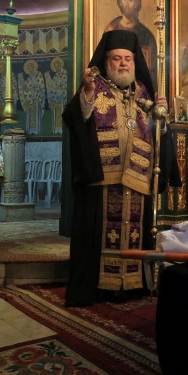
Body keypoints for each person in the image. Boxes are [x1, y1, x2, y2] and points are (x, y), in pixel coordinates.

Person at [63, 30, 176, 307]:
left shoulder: (144, 93)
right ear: (106, 61)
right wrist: (87, 93)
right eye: (117, 59)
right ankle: (99, 286)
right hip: (102, 179)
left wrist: (162, 117)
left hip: (137, 178)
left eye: (127, 58)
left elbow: (157, 134)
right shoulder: (94, 87)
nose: (123, 63)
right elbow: (74, 118)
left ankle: (134, 284)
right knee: (100, 233)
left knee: (135, 232)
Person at [103, 0, 157, 87]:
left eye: (130, 0)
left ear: (136, 4)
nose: (127, 3)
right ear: (120, 1)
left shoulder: (147, 35)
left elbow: (151, 71)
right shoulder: (111, 28)